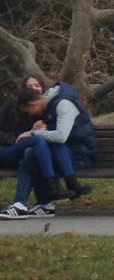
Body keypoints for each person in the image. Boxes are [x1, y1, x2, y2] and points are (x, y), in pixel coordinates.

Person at [0, 80, 97, 220]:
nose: (31, 115)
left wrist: (34, 132)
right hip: (11, 151)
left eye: (37, 86)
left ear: (32, 103)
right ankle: (52, 193)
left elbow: (59, 136)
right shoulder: (41, 106)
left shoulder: (59, 105)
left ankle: (37, 201)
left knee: (32, 152)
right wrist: (36, 130)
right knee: (34, 148)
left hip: (76, 153)